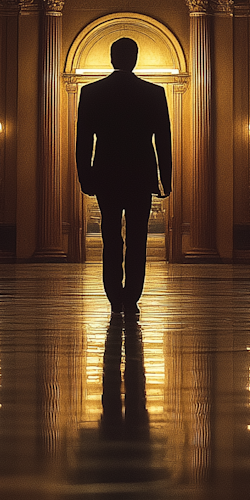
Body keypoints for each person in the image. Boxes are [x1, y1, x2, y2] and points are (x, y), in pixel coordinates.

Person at [75, 37, 172, 316]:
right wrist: (166, 178)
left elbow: (84, 140)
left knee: (110, 236)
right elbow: (163, 139)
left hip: (106, 172)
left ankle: (114, 297)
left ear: (112, 58)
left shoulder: (92, 92)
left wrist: (86, 177)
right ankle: (132, 298)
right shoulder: (153, 93)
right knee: (138, 237)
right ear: (136, 58)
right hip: (140, 173)